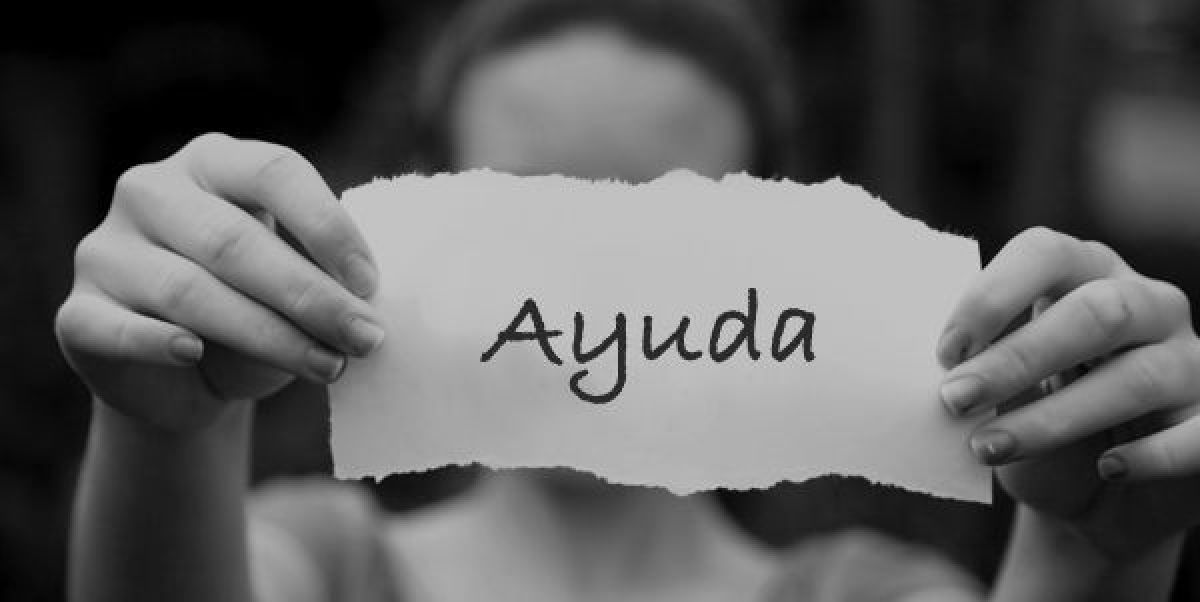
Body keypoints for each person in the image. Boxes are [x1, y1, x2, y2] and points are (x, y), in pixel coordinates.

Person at [56, 1, 1200, 600]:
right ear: (407, 224)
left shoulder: (863, 592)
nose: (585, 287)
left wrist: (1090, 557)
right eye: (524, 211)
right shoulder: (321, 559)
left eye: (659, 227)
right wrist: (168, 431)